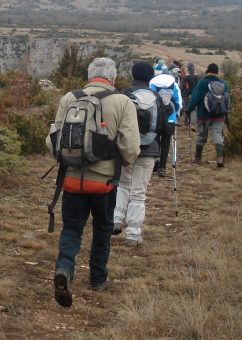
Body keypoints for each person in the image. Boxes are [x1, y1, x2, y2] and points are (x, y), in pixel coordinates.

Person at [48, 57, 140, 307]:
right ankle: (98, 279)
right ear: (113, 77)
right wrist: (120, 162)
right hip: (105, 183)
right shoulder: (122, 102)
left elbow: (53, 140)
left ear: (89, 76)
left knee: (72, 228)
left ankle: (64, 268)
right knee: (102, 229)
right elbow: (131, 147)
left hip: (71, 180)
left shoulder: (69, 98)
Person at [113, 62, 160, 247]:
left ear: (132, 76)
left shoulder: (123, 95)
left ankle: (116, 220)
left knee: (122, 184)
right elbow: (165, 126)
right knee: (138, 193)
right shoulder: (156, 96)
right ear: (151, 77)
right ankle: (133, 234)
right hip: (149, 150)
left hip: (126, 148)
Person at [185, 63, 229, 167]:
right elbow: (227, 100)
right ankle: (220, 159)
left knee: (201, 136)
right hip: (219, 115)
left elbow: (196, 98)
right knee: (218, 136)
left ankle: (198, 158)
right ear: (217, 72)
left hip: (203, 115)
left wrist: (189, 109)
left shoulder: (202, 82)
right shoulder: (223, 84)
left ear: (207, 71)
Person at [149, 69, 182, 178]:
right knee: (166, 143)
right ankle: (162, 167)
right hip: (170, 119)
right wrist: (176, 114)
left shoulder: (153, 83)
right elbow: (178, 102)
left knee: (155, 140)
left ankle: (155, 159)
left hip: (156, 118)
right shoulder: (173, 84)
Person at [182, 62, 200, 130]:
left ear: (188, 68)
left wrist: (181, 95)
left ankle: (186, 123)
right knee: (194, 110)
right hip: (195, 96)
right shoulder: (198, 77)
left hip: (186, 96)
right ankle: (193, 124)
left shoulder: (185, 77)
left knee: (186, 109)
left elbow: (181, 87)